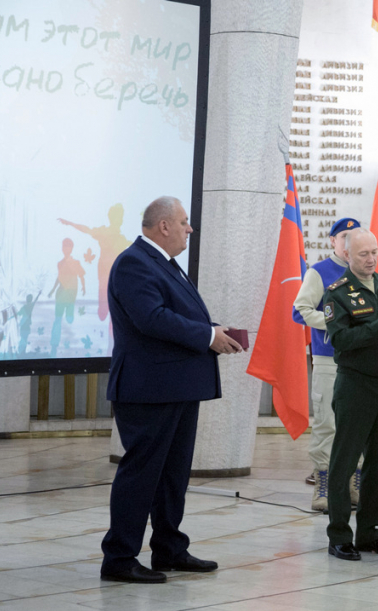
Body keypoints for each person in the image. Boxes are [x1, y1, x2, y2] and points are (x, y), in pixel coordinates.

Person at [100, 196, 243, 584]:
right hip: (149, 389)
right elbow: (151, 319)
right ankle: (120, 557)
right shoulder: (134, 263)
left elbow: (178, 316)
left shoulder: (164, 265)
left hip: (176, 385)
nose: (188, 229)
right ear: (163, 226)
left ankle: (169, 549)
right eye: (184, 222)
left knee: (172, 475)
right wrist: (206, 335)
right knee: (142, 474)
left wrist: (215, 331)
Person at [323, 228, 378, 561]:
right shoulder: (338, 294)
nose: (371, 259)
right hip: (355, 384)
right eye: (363, 254)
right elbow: (340, 341)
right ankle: (339, 535)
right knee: (344, 462)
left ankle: (369, 533)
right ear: (347, 255)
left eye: (374, 252)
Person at [292, 217, 363, 511]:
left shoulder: (367, 271)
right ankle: (323, 485)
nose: (348, 242)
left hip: (361, 360)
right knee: (326, 422)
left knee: (358, 422)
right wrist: (335, 324)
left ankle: (354, 481)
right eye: (343, 236)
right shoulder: (319, 272)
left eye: (354, 237)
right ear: (332, 241)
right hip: (327, 358)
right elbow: (300, 311)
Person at [48, 238, 86, 357]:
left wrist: (84, 287)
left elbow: (81, 275)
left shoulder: (76, 263)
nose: (66, 249)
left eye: (68, 247)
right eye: (64, 247)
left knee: (69, 319)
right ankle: (54, 346)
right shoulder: (60, 263)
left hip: (70, 295)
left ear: (71, 248)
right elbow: (59, 278)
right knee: (58, 320)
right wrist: (53, 290)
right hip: (60, 295)